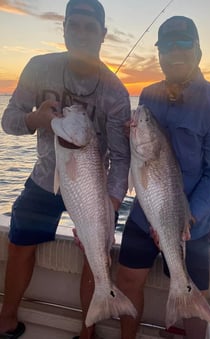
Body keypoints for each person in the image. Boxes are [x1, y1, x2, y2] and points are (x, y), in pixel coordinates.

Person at [0, 1, 130, 338]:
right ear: (65, 29)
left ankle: (87, 332)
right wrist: (35, 119)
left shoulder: (116, 93)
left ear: (103, 34)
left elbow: (121, 156)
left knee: (96, 254)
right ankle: (7, 318)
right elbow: (9, 121)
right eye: (75, 25)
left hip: (92, 186)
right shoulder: (38, 68)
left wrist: (110, 205)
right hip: (46, 177)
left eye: (91, 27)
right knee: (19, 241)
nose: (82, 33)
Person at [116, 16, 210, 339]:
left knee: (193, 295)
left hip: (193, 220)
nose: (175, 51)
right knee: (127, 280)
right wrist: (127, 137)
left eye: (184, 43)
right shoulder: (147, 95)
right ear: (159, 54)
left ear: (198, 51)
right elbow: (142, 155)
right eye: (167, 45)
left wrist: (186, 218)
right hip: (145, 208)